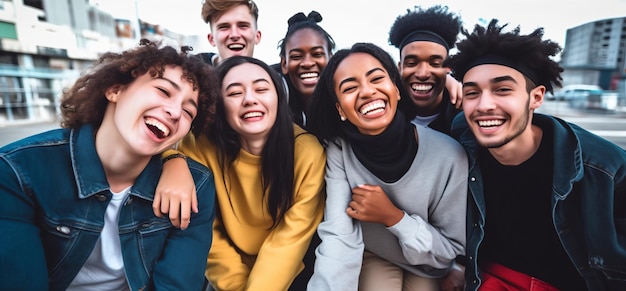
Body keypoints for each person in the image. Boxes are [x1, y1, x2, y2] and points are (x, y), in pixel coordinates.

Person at [0, 39, 219, 290]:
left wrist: (175, 159)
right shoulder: (18, 171)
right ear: (115, 89)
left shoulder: (195, 186)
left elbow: (177, 284)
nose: (175, 112)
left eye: (189, 112)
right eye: (163, 91)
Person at [447, 19, 626, 290]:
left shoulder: (605, 168)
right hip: (492, 279)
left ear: (536, 97)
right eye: (472, 92)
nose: (484, 105)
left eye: (502, 89)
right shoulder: (460, 143)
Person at [306, 42, 467, 291]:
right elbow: (339, 237)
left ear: (397, 89)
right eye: (350, 87)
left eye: (377, 79)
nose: (367, 91)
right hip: (373, 254)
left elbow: (450, 250)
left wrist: (394, 218)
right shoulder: (339, 150)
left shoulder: (450, 155)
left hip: (429, 263)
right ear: (340, 110)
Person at [156, 56, 326, 291]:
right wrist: (171, 159)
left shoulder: (308, 152)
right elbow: (210, 234)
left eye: (262, 89)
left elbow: (289, 240)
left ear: (278, 97)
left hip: (287, 271)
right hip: (224, 276)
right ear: (218, 105)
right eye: (235, 93)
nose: (250, 99)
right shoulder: (198, 146)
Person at [388, 5, 463, 136]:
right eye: (411, 63)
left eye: (435, 64)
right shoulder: (386, 111)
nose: (422, 74)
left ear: (447, 68)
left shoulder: (464, 115)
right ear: (400, 68)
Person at [275, 10, 336, 127]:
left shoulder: (346, 94)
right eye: (296, 56)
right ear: (284, 64)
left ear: (331, 60)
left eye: (317, 54)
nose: (307, 63)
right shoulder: (270, 99)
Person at [198, 0, 262, 66]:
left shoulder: (270, 75)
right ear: (211, 39)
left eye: (243, 26)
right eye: (224, 27)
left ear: (257, 36)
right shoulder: (191, 73)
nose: (234, 34)